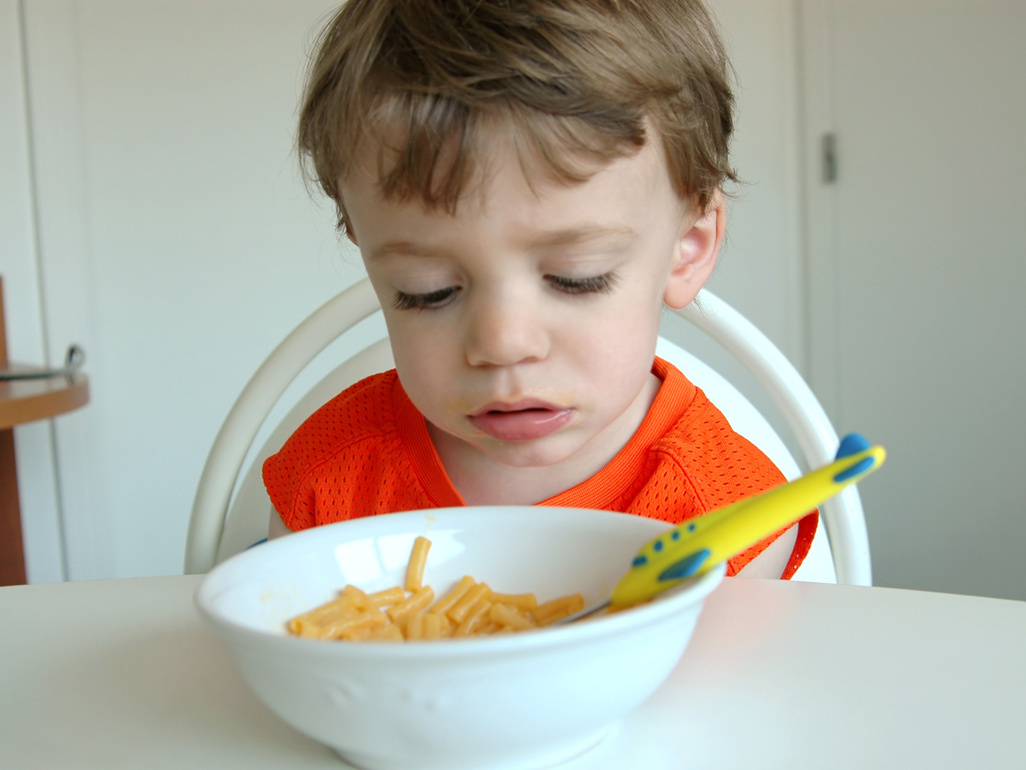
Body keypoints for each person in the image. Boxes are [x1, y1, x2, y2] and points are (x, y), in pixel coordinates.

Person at [263, 0, 817, 578]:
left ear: (689, 247)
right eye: (426, 290)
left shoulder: (726, 517)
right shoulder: (325, 485)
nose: (503, 343)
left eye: (577, 277)